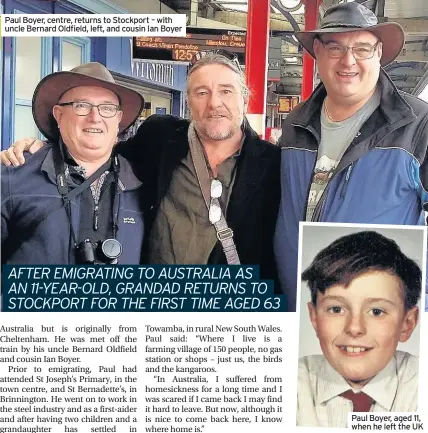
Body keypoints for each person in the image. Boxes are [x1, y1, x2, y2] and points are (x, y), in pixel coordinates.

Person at [1, 52, 281, 286]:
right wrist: (41, 149)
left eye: (226, 91)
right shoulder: (159, 139)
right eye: (201, 92)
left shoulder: (275, 165)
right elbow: (94, 148)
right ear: (188, 102)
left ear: (245, 98)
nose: (214, 103)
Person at [274, 2, 428, 310]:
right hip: (298, 313)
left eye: (362, 48)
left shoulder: (417, 124)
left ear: (379, 53)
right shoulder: (295, 125)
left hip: (378, 321)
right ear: (317, 51)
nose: (348, 61)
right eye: (335, 48)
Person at [1, 62, 145, 264]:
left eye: (107, 108)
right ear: (59, 115)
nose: (95, 118)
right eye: (81, 106)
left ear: (118, 119)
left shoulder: (143, 186)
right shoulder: (13, 178)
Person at [298, 231, 420, 427]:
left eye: (377, 311)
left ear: (407, 324)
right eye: (336, 309)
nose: (354, 328)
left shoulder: (419, 384)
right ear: (314, 318)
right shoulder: (289, 382)